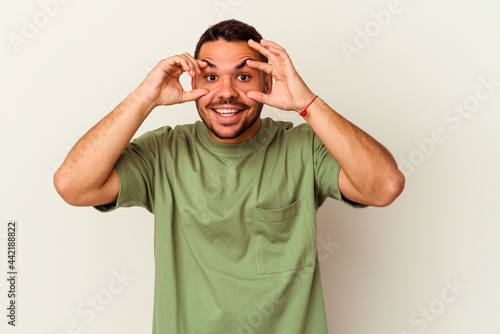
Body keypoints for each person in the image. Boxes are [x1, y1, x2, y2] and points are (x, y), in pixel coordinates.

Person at [54, 19, 404, 334]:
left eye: (242, 75)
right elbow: (73, 185)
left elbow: (384, 187)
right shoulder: (165, 152)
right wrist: (144, 98)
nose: (225, 93)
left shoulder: (302, 148)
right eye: (210, 76)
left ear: (267, 79)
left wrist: (306, 102)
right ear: (194, 81)